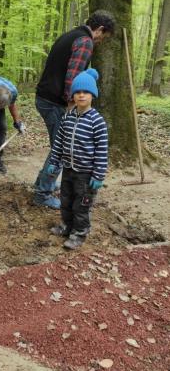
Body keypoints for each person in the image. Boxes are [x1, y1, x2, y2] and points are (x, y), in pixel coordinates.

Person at [33, 10, 115, 209]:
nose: (100, 41)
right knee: (61, 149)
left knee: (58, 147)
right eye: (103, 37)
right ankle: (42, 194)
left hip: (45, 97)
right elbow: (73, 77)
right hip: (53, 102)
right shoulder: (85, 41)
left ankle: (42, 184)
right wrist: (73, 106)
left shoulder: (71, 35)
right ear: (100, 30)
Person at [47, 68, 108, 250]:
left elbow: (102, 151)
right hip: (68, 170)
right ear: (73, 95)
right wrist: (53, 161)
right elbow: (59, 141)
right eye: (78, 92)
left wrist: (98, 175)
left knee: (81, 205)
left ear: (93, 95)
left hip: (86, 174)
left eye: (86, 92)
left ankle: (79, 233)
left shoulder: (97, 121)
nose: (81, 95)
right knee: (65, 200)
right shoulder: (68, 117)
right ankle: (66, 226)